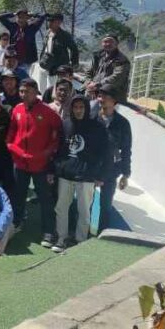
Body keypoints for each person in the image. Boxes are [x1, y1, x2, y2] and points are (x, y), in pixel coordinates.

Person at [6, 79, 62, 247]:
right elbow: (11, 133)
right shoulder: (17, 109)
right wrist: (14, 149)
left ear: (36, 92)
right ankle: (16, 223)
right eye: (22, 91)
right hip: (20, 163)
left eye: (28, 91)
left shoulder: (47, 111)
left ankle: (49, 231)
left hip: (40, 165)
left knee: (45, 198)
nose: (24, 94)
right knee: (19, 196)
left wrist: (45, 153)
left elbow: (58, 135)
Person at [53, 95, 109, 252]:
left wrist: (100, 176)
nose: (78, 110)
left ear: (86, 108)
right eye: (75, 107)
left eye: (81, 107)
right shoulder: (65, 125)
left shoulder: (97, 127)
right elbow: (59, 149)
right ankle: (61, 238)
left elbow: (105, 153)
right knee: (61, 208)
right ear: (71, 108)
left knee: (84, 211)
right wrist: (58, 168)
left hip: (86, 176)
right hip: (66, 174)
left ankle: (80, 241)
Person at [97, 84, 132, 231]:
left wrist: (125, 174)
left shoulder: (123, 123)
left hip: (111, 170)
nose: (101, 99)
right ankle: (81, 230)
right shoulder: (92, 118)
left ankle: (102, 232)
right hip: (92, 168)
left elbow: (126, 149)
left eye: (106, 96)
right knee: (86, 202)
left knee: (105, 204)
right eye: (100, 95)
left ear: (114, 101)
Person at [88, 36, 131, 104]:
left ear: (116, 44)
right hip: (94, 93)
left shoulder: (121, 60)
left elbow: (117, 77)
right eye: (105, 42)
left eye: (111, 41)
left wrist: (97, 85)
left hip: (113, 98)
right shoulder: (98, 56)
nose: (108, 44)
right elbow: (89, 72)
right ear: (102, 44)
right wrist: (89, 83)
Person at [38, 14, 79, 79]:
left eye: (52, 21)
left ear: (59, 23)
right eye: (49, 21)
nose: (49, 23)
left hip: (61, 69)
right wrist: (41, 61)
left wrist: (73, 65)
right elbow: (44, 49)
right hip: (49, 67)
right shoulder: (47, 34)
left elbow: (74, 49)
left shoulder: (65, 35)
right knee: (49, 87)